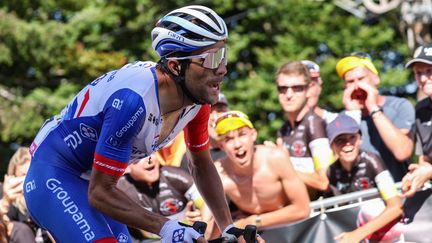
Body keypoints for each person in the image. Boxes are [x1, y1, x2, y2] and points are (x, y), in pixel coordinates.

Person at [23, 5, 262, 243]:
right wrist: (166, 226)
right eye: (211, 59)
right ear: (176, 66)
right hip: (55, 174)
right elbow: (100, 192)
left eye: (223, 55)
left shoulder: (198, 101)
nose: (223, 68)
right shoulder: (132, 101)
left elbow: (201, 163)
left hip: (96, 184)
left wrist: (227, 226)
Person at [214, 110, 310, 230]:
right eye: (228, 139)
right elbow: (208, 226)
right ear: (221, 145)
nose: (237, 144)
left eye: (242, 134)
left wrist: (253, 221)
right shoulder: (218, 174)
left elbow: (303, 209)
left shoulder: (275, 158)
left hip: (293, 231)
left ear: (253, 135)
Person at [336, 54, 415, 182]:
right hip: (364, 197)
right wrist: (352, 116)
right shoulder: (342, 119)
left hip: (401, 194)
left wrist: (373, 108)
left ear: (376, 79)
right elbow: (342, 166)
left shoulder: (399, 106)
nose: (357, 87)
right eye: (350, 81)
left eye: (361, 79)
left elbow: (402, 152)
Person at [326, 114, 403, 243]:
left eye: (352, 137)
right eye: (340, 140)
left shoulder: (372, 160)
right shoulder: (331, 172)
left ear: (360, 139)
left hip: (384, 235)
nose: (347, 144)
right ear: (332, 146)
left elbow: (396, 207)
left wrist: (357, 234)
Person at [271, 61, 335, 197]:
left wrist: (282, 165)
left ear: (309, 89)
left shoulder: (315, 124)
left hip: (325, 210)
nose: (288, 95)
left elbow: (324, 182)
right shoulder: (284, 129)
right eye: (282, 88)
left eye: (297, 88)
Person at [117, 154, 212, 241]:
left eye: (151, 154)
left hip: (184, 235)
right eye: (139, 158)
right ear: (127, 167)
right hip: (146, 240)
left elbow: (208, 202)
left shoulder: (176, 175)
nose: (149, 160)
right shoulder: (120, 188)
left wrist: (201, 218)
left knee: (210, 217)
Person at [402, 44, 432, 197]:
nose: (423, 78)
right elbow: (425, 158)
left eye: (429, 71)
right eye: (418, 73)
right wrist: (417, 175)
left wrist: (429, 172)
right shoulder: (421, 109)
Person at [208, 93, 230, 161]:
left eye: (220, 110)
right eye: (209, 112)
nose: (214, 117)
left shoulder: (245, 149)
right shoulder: (192, 157)